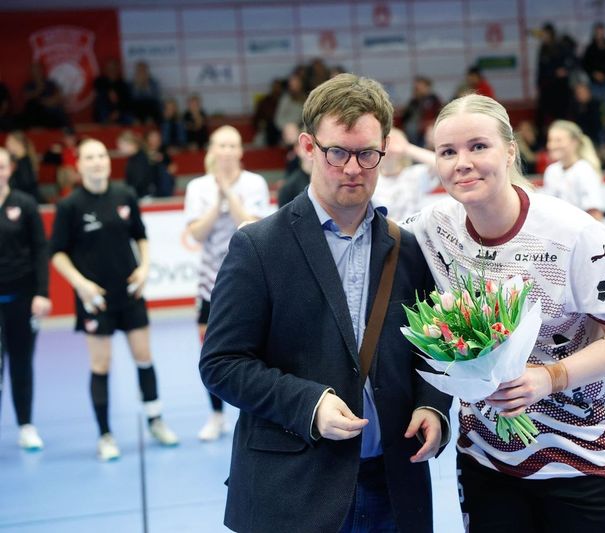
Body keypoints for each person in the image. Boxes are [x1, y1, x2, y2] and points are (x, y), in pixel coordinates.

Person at [199, 74, 451, 533]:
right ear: (308, 147)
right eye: (337, 152)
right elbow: (221, 364)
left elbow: (433, 349)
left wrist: (433, 406)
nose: (353, 168)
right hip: (293, 489)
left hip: (394, 488)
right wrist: (309, 404)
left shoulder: (408, 250)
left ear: (385, 149)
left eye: (367, 153)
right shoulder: (258, 247)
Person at [404, 93, 605, 532]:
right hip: (486, 464)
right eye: (448, 152)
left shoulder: (574, 236)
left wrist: (549, 378)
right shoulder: (433, 227)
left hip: (585, 462)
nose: (462, 163)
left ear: (510, 151)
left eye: (478, 146)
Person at [50, 138, 179, 461]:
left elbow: (141, 236)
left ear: (108, 162)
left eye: (101, 156)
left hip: (130, 293)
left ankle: (156, 420)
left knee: (143, 355)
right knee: (101, 364)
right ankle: (105, 435)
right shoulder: (69, 206)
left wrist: (144, 268)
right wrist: (81, 285)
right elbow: (57, 254)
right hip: (95, 299)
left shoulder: (125, 195)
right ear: (79, 165)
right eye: (90, 157)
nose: (97, 162)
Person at [184, 126, 270, 441]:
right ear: (212, 149)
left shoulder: (255, 183)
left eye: (233, 145)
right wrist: (216, 199)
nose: (227, 151)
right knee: (211, 349)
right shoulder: (197, 187)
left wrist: (229, 194)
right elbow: (196, 233)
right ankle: (216, 415)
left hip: (251, 279)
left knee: (258, 347)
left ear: (240, 151)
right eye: (221, 145)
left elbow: (253, 227)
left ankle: (255, 412)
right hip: (211, 281)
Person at [0, 147, 51, 450]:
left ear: (10, 169)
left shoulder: (25, 204)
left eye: (2, 166)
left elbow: (40, 249)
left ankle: (26, 426)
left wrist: (42, 293)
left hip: (21, 299)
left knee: (21, 363)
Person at [372, 128, 439, 222]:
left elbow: (441, 165)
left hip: (413, 229)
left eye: (394, 142)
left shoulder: (415, 173)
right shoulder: (372, 179)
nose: (390, 148)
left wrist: (406, 148)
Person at [542, 119, 604, 220]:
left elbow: (595, 214)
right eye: (550, 140)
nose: (552, 145)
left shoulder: (584, 170)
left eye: (558, 140)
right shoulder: (551, 171)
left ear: (574, 142)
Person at [5, 131, 41, 204]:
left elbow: (24, 184)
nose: (7, 144)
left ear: (19, 143)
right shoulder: (19, 161)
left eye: (10, 142)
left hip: (27, 201)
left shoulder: (24, 162)